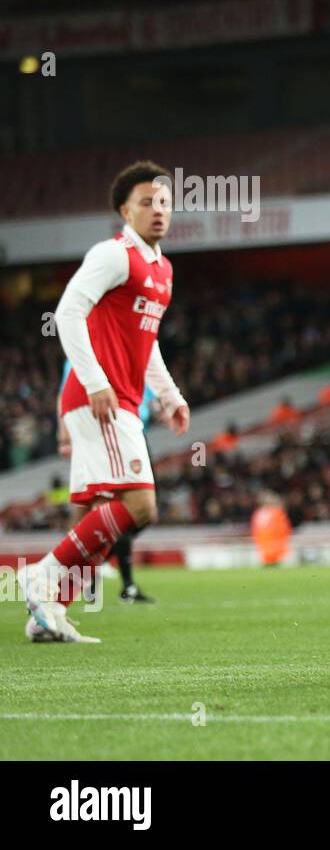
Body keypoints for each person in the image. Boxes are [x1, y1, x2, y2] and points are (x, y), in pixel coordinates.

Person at [20, 160, 189, 643]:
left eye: (163, 203)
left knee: (98, 512)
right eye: (146, 203)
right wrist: (95, 381)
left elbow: (147, 340)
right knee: (140, 506)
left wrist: (171, 395)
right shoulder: (113, 254)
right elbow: (67, 311)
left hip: (120, 400)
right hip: (101, 401)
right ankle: (43, 577)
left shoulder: (163, 269)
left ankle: (47, 613)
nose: (158, 211)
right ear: (124, 211)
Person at [61, 360, 157, 605]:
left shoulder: (131, 346)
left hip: (134, 431)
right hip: (106, 429)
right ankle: (115, 583)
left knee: (139, 512)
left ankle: (89, 569)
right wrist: (64, 436)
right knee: (109, 509)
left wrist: (166, 402)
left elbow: (146, 391)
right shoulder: (85, 347)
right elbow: (65, 394)